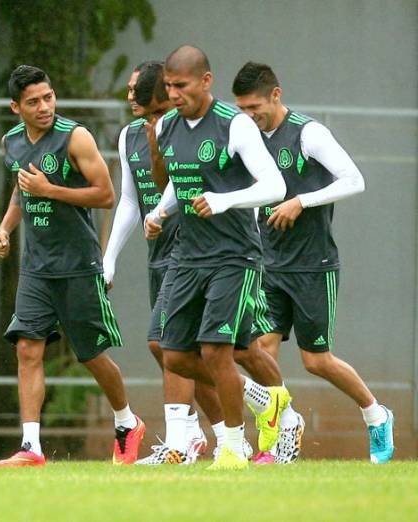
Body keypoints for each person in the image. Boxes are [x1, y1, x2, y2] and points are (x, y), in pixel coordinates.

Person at [232, 61, 394, 464]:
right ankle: (280, 435)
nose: (250, 117)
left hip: (312, 264)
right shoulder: (248, 138)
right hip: (268, 263)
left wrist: (301, 201)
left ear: (276, 94)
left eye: (255, 108)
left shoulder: (309, 134)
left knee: (315, 360)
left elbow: (354, 180)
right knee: (260, 352)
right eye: (243, 110)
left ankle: (376, 414)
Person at [143, 45, 291, 470]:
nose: (173, 94)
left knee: (215, 349)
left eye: (181, 86)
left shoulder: (235, 125)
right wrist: (160, 210)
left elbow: (275, 186)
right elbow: (184, 179)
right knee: (173, 354)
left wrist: (224, 201)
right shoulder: (167, 126)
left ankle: (232, 446)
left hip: (234, 255)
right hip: (188, 253)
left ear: (206, 82)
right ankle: (262, 399)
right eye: (169, 86)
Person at [0, 65, 143, 468]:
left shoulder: (75, 137)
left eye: (48, 97)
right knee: (27, 348)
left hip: (78, 264)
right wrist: (5, 229)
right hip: (36, 268)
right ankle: (31, 447)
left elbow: (106, 195)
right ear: (15, 108)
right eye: (33, 102)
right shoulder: (11, 142)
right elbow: (21, 190)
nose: (44, 107)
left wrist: (51, 190)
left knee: (91, 354)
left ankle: (127, 422)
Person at [104, 61, 224, 464]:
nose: (132, 96)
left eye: (141, 89)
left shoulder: (187, 129)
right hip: (159, 256)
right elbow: (129, 200)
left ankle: (183, 441)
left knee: (171, 343)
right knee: (178, 353)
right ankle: (228, 429)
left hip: (197, 251)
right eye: (131, 89)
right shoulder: (129, 136)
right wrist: (110, 259)